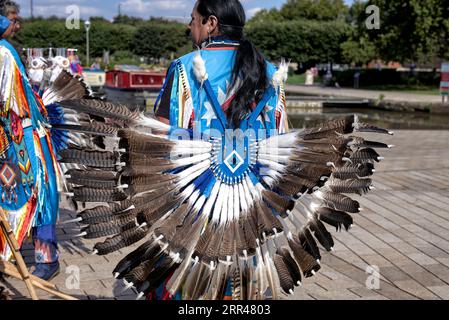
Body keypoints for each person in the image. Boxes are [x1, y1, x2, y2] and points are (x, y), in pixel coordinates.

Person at [153, 0, 288, 299]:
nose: (189, 26)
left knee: (190, 282)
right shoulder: (271, 73)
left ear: (211, 23)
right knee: (243, 280)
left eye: (193, 19)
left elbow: (161, 135)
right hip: (252, 199)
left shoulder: (185, 68)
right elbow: (282, 140)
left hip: (198, 198)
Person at [0, 16, 61, 280]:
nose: (18, 26)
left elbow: (6, 101)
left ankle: (46, 258)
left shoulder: (2, 53)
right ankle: (7, 254)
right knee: (10, 194)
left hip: (23, 137)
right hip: (9, 137)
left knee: (38, 193)